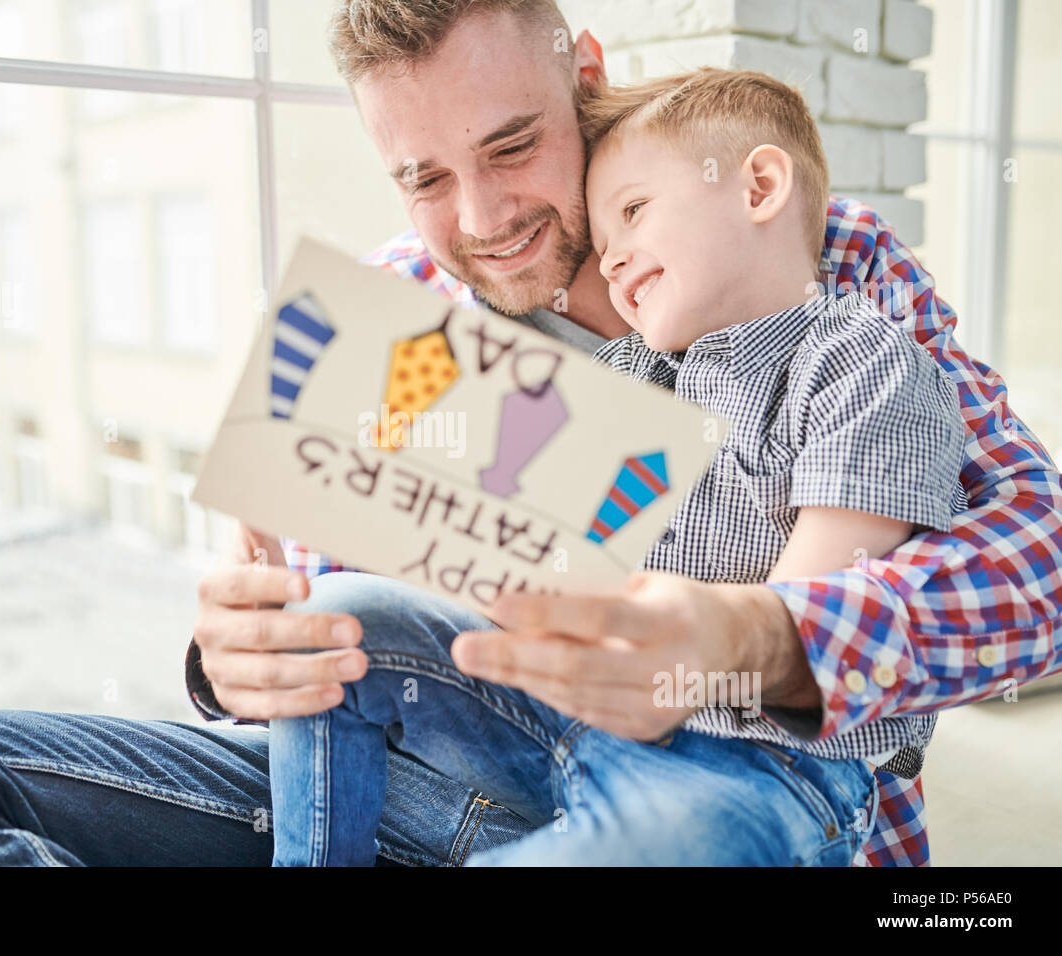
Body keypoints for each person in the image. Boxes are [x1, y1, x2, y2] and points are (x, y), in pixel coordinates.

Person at [0, 0, 1060, 868]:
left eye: (512, 145)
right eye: (426, 177)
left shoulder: (801, 259)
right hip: (416, 781)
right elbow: (338, 622)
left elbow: (1041, 572)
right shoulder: (398, 313)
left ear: (585, 76)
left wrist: (758, 634)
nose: (485, 216)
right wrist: (239, 659)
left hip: (723, 800)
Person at [266, 67, 968, 866]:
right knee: (331, 618)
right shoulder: (637, 373)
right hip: (597, 723)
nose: (613, 262)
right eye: (604, 241)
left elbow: (802, 613)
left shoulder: (864, 363)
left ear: (760, 188)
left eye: (634, 214)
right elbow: (556, 557)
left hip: (769, 769)